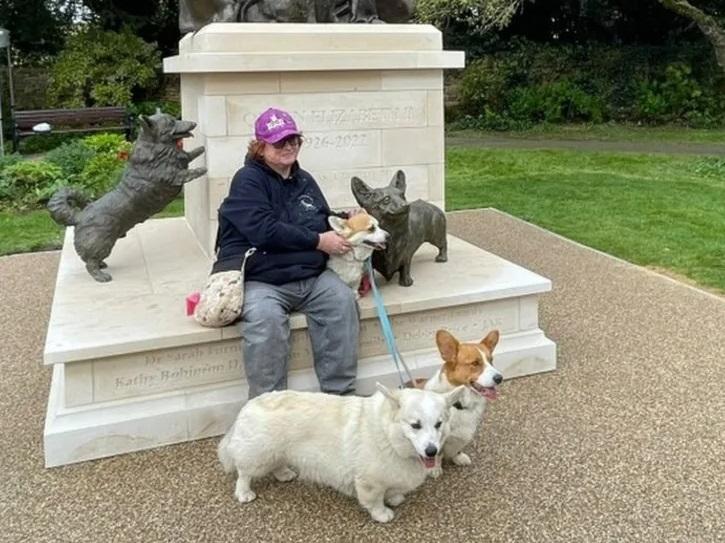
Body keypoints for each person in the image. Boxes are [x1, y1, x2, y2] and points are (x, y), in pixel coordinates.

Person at [213, 107, 359, 399]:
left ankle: (339, 398)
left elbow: (320, 217)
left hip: (311, 276)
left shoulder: (304, 179)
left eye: (294, 140)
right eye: (280, 142)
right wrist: (318, 241)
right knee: (265, 320)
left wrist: (346, 219)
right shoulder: (247, 180)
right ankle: (268, 405)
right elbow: (264, 230)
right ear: (260, 146)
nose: (289, 146)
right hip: (263, 279)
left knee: (342, 302)